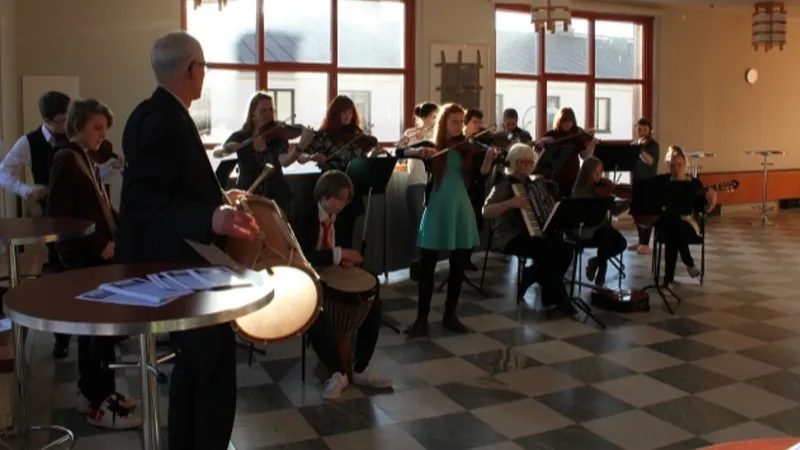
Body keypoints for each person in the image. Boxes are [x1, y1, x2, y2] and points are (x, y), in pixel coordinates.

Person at [117, 31, 258, 450]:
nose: (204, 75)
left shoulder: (149, 112)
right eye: (203, 67)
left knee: (192, 368)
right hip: (178, 266)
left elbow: (170, 186)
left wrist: (217, 198)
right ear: (192, 69)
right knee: (213, 370)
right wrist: (209, 216)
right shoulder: (166, 120)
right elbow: (143, 198)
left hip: (172, 263)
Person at [46, 98, 141, 430]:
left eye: (104, 128)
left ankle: (94, 393)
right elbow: (61, 219)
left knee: (98, 334)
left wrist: (122, 225)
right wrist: (99, 244)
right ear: (77, 125)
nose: (103, 134)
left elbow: (99, 205)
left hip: (98, 257)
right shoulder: (66, 159)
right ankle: (98, 402)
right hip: (85, 260)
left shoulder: (84, 157)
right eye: (97, 127)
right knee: (97, 333)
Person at [396, 104, 499, 337]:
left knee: (458, 265)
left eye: (461, 122)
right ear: (443, 123)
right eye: (454, 122)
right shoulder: (433, 146)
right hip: (437, 207)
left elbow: (481, 175)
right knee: (427, 266)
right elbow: (400, 152)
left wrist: (488, 159)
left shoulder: (467, 147)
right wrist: (419, 153)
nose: (459, 126)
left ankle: (450, 315)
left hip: (461, 207)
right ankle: (421, 318)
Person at [294, 170, 393, 400]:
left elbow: (344, 249)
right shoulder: (303, 215)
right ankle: (337, 372)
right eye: (341, 199)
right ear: (325, 196)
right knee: (313, 314)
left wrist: (345, 260)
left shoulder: (343, 217)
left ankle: (361, 366)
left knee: (371, 293)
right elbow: (304, 255)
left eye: (347, 199)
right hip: (309, 275)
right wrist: (340, 254)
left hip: (334, 273)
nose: (345, 204)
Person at [0, 91, 73, 359]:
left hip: (81, 213)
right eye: (60, 120)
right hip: (52, 217)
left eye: (68, 118)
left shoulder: (75, 134)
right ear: (46, 119)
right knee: (61, 278)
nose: (65, 125)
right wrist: (27, 190)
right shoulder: (28, 142)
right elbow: (3, 172)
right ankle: (62, 337)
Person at [483, 143, 575, 315]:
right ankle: (557, 299)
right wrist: (510, 203)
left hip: (533, 233)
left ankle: (533, 274)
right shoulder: (504, 184)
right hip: (509, 236)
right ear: (513, 163)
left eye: (530, 163)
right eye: (522, 162)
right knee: (546, 249)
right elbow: (486, 211)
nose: (526, 167)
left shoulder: (533, 184)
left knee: (565, 248)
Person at [301, 95, 386, 249]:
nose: (348, 116)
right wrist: (311, 157)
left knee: (347, 233)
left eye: (350, 112)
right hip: (331, 189)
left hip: (351, 188)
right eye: (344, 112)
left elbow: (361, 161)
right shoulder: (324, 135)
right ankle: (330, 260)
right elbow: (301, 155)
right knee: (328, 232)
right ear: (335, 114)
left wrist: (373, 155)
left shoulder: (357, 136)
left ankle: (345, 260)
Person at [213, 91, 314, 212]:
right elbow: (216, 153)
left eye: (271, 110)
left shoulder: (277, 135)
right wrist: (226, 149)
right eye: (263, 110)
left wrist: (301, 145)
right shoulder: (241, 136)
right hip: (247, 196)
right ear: (253, 113)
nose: (268, 114)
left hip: (275, 199)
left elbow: (285, 161)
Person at [657, 149, 716, 287]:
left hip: (688, 225)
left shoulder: (694, 184)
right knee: (673, 226)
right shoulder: (663, 183)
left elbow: (702, 209)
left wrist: (712, 203)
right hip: (667, 225)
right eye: (672, 165)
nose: (676, 169)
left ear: (685, 164)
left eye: (680, 165)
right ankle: (689, 263)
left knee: (674, 231)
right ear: (668, 166)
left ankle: (668, 279)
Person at [572, 156, 628, 287]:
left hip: (602, 230)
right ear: (587, 172)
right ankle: (601, 275)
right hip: (585, 232)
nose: (599, 175)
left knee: (621, 243)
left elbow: (615, 211)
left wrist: (629, 202)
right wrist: (602, 196)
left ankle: (595, 262)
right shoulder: (579, 191)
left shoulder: (603, 189)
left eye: (601, 171)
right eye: (596, 172)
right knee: (605, 238)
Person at [401, 102, 438, 280]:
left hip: (433, 181)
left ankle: (428, 263)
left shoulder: (437, 133)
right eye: (433, 116)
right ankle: (415, 262)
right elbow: (401, 153)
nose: (435, 120)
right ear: (425, 117)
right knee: (417, 224)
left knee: (431, 224)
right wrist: (413, 141)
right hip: (415, 181)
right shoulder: (411, 133)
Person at [538, 107, 599, 197]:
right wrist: (542, 142)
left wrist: (592, 144)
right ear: (559, 121)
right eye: (564, 121)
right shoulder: (552, 134)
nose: (567, 124)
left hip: (572, 175)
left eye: (570, 121)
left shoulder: (578, 134)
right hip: (555, 175)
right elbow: (541, 153)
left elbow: (584, 156)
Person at [628, 117, 660, 254]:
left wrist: (640, 149)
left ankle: (645, 244)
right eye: (639, 129)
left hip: (649, 183)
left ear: (650, 131)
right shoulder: (634, 144)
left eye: (645, 130)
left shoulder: (653, 145)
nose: (641, 132)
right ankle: (640, 241)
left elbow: (649, 161)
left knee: (646, 214)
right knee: (636, 213)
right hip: (635, 182)